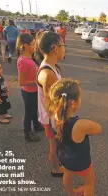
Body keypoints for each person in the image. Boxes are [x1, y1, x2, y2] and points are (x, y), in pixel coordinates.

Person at [45, 78, 102, 196]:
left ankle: (71, 193)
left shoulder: (52, 117)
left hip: (64, 158)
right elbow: (98, 129)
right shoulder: (79, 124)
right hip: (81, 162)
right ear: (73, 103)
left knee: (67, 175)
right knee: (89, 182)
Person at [36, 32, 66, 176]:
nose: (64, 49)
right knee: (54, 146)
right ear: (55, 48)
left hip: (51, 117)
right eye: (63, 46)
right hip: (51, 118)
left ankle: (57, 164)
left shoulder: (52, 66)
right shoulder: (48, 74)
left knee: (56, 145)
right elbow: (51, 103)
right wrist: (60, 121)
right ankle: (55, 168)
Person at [16, 34, 44, 142]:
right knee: (29, 113)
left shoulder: (29, 58)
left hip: (34, 91)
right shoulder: (23, 61)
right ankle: (27, 133)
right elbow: (21, 82)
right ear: (25, 45)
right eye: (32, 44)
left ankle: (36, 125)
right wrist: (38, 82)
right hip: (29, 93)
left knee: (34, 110)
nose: (35, 46)